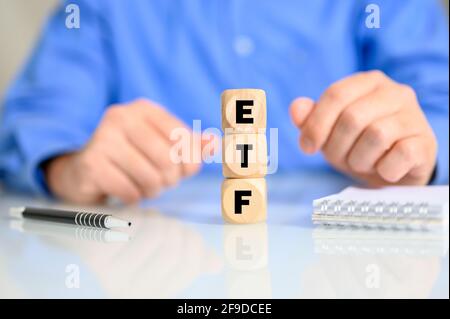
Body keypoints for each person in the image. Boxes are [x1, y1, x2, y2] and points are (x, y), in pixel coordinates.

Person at [0, 0, 448, 204]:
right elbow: (31, 123)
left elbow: (439, 103)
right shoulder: (99, 7)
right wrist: (66, 166)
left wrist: (419, 150)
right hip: (145, 263)